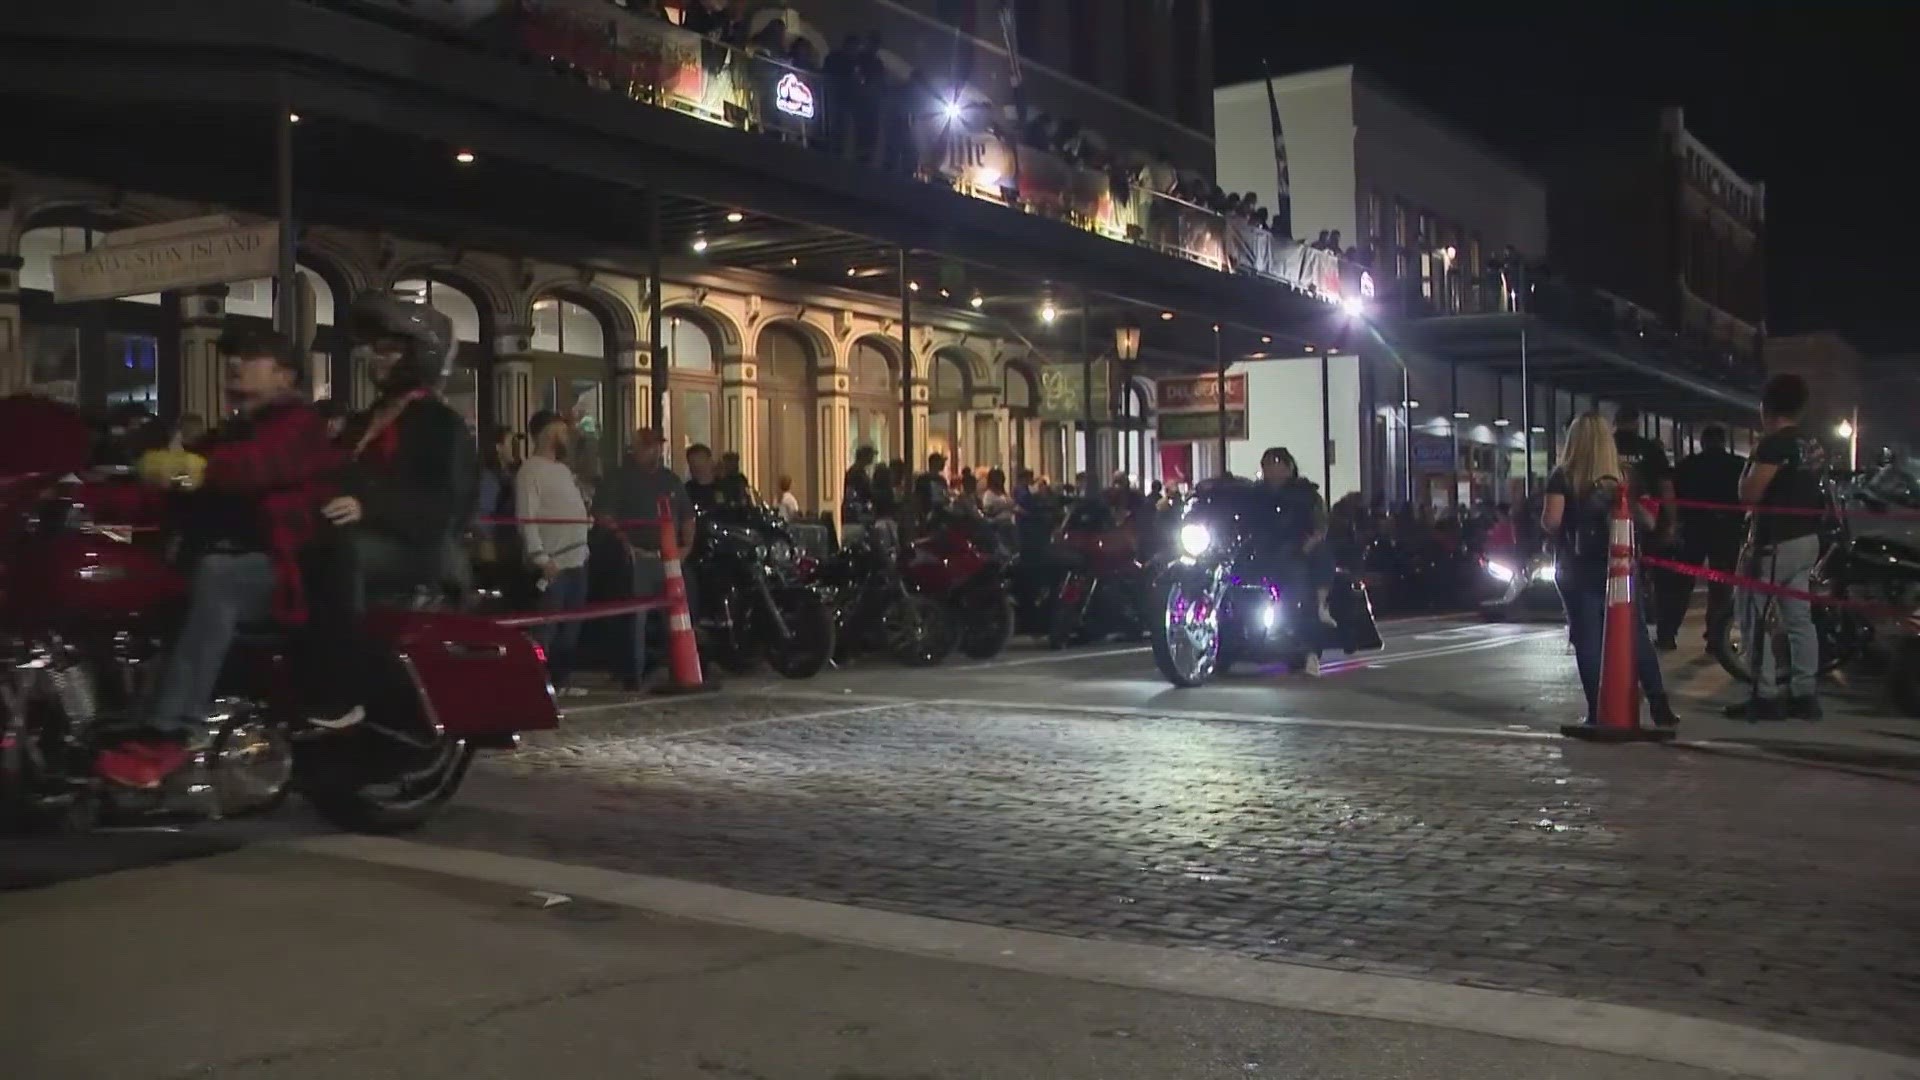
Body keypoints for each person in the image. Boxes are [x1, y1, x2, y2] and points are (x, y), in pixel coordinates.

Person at [98, 328, 343, 788]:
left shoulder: (300, 425)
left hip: (279, 567)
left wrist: (194, 469)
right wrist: (89, 495)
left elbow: (257, 466)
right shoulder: (229, 432)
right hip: (220, 558)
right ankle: (114, 713)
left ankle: (171, 733)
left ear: (285, 374)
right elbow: (168, 492)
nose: (234, 366)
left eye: (250, 358)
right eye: (231, 358)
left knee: (218, 576)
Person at [303, 292, 478, 730]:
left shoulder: (439, 423)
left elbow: (445, 505)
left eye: (389, 349)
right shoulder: (369, 418)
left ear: (419, 354)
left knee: (338, 553)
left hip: (414, 549)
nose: (375, 358)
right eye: (374, 349)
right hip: (370, 536)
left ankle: (342, 693)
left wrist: (368, 505)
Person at [1542, 414, 1679, 729]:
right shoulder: (1622, 477)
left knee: (1587, 638)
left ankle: (1597, 710)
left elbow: (1552, 521)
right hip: (1620, 566)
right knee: (1637, 633)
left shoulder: (1563, 476)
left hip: (1576, 568)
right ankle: (1660, 706)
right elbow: (1647, 519)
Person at [1724, 375, 1829, 721]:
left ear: (1765, 407)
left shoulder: (1773, 445)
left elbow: (1748, 495)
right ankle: (1804, 693)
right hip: (1806, 540)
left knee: (1752, 616)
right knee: (1800, 619)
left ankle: (1764, 694)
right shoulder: (1811, 444)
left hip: (1773, 543)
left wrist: (1751, 459)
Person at [598, 429, 695, 690]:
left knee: (675, 617)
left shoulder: (670, 479)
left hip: (669, 560)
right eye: (649, 446)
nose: (655, 451)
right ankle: (634, 676)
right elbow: (605, 516)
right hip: (638, 558)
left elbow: (686, 515)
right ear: (636, 448)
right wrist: (626, 545)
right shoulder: (619, 479)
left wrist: (685, 547)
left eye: (658, 446)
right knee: (636, 619)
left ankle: (677, 670)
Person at [515, 411, 592, 695]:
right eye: (562, 431)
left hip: (577, 558)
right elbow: (527, 517)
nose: (566, 437)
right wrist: (540, 557)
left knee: (571, 626)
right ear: (548, 433)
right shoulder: (530, 471)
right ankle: (537, 681)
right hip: (554, 563)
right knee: (547, 627)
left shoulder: (561, 470)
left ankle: (560, 681)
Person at [1660, 425, 1745, 650]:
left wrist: (1676, 524)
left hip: (1693, 528)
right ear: (1723, 441)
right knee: (1721, 587)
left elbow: (1673, 494)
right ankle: (1716, 638)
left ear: (1704, 442)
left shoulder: (1687, 465)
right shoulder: (1737, 465)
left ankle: (1668, 634)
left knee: (1681, 584)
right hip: (1727, 530)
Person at [1253, 447, 1336, 673]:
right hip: (1263, 551)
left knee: (1301, 579)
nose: (1272, 468)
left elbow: (1320, 525)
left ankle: (1320, 609)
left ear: (1290, 466)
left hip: (1298, 547)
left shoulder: (1306, 493)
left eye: (1278, 462)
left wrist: (1309, 542)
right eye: (1268, 463)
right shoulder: (1256, 494)